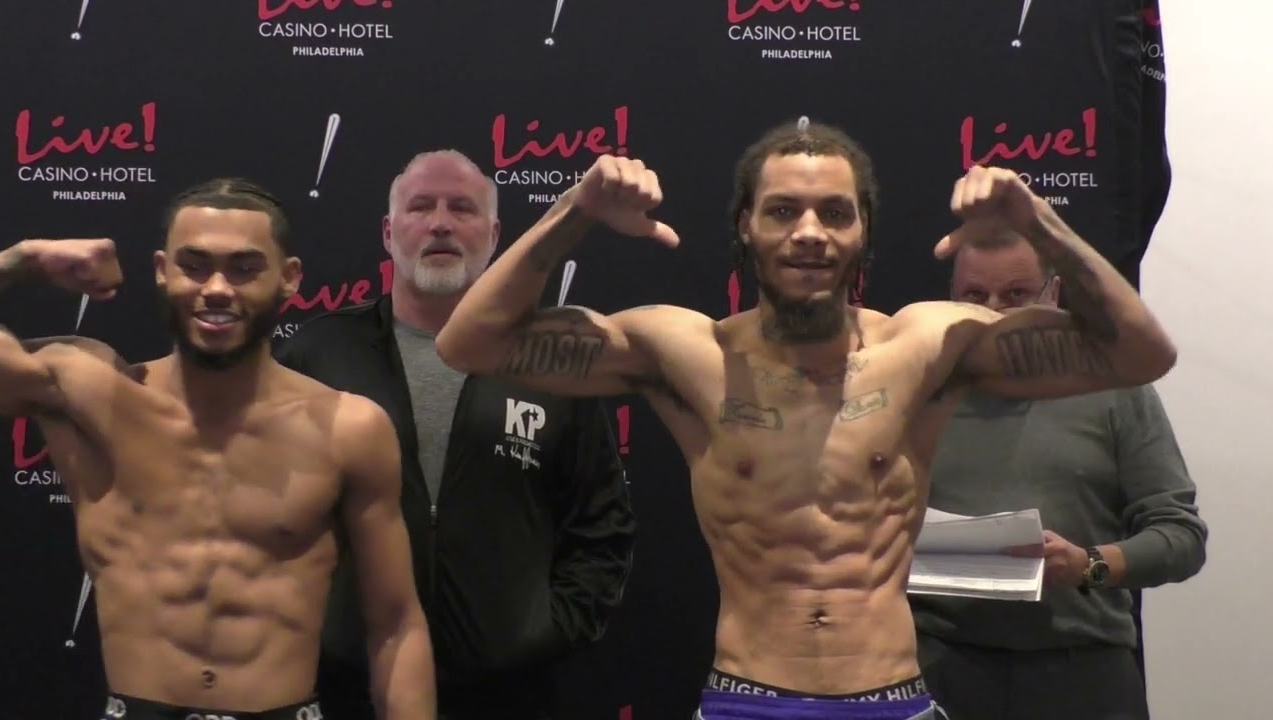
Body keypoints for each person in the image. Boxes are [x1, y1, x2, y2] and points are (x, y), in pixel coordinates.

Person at [432, 118, 1179, 720]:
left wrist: (1038, 222)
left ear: (864, 231)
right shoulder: (687, 352)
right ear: (746, 226)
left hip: (893, 694)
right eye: (784, 210)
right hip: (748, 696)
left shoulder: (926, 345)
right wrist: (576, 211)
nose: (811, 231)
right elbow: (469, 343)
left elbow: (1142, 354)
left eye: (835, 212)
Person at [0, 179, 436, 720]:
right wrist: (22, 259)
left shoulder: (348, 428)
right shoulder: (88, 394)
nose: (218, 288)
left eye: (245, 268)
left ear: (289, 278)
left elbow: (395, 626)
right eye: (195, 266)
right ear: (162, 270)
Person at [274, 150, 635, 720]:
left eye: (462, 209)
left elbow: (601, 520)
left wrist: (546, 632)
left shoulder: (552, 362)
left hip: (510, 696)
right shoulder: (317, 355)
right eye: (421, 207)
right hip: (348, 691)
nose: (440, 223)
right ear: (389, 233)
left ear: (494, 235)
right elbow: (267, 512)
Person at [907, 233, 1207, 720]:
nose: (994, 313)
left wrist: (1087, 565)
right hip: (938, 666)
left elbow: (1181, 537)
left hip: (1082, 672)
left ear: (1053, 294)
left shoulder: (1113, 388)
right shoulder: (916, 392)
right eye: (975, 296)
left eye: (1016, 295)